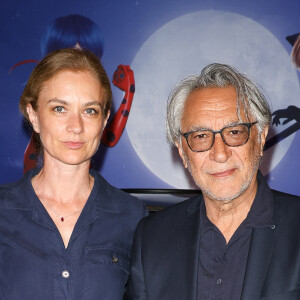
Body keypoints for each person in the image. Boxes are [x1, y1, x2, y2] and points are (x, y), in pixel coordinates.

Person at [124, 63, 300, 300]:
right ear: (182, 152)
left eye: (234, 132)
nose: (220, 153)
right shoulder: (152, 238)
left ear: (260, 138)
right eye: (201, 136)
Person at [0, 48, 147, 299]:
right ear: (34, 116)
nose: (76, 127)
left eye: (90, 110)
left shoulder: (133, 217)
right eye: (59, 108)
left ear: (104, 121)